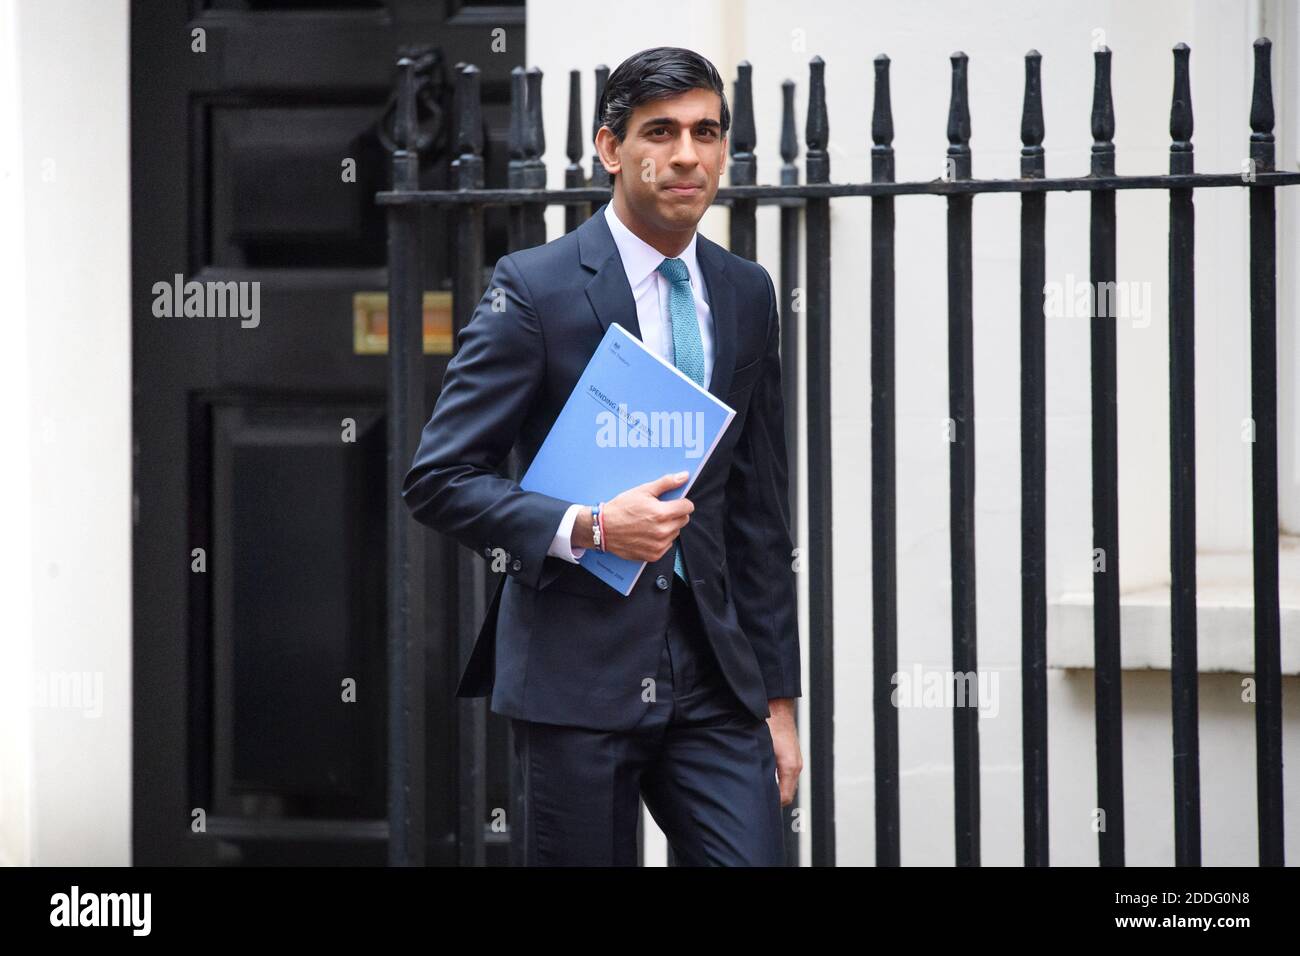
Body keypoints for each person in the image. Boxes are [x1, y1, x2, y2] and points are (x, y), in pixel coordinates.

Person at [402, 46, 802, 866]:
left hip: (715, 673)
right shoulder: (535, 287)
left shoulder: (745, 292)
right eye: (661, 131)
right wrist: (586, 526)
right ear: (611, 148)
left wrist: (778, 696)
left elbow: (757, 511)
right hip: (577, 673)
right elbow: (439, 479)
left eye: (706, 131)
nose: (687, 154)